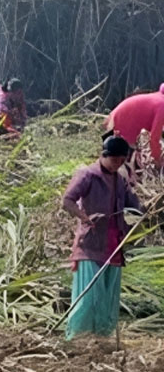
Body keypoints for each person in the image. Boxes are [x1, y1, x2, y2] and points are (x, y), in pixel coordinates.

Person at [60, 135, 141, 341]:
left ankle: (102, 339)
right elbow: (67, 200)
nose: (118, 165)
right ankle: (78, 338)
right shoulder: (87, 175)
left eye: (122, 161)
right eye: (115, 160)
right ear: (104, 156)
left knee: (107, 297)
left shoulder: (120, 179)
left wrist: (149, 208)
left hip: (114, 244)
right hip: (91, 243)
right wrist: (85, 218)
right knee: (88, 297)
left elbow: (134, 203)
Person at [105, 84, 164, 171]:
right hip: (118, 131)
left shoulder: (158, 98)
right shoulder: (162, 105)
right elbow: (154, 139)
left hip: (112, 122)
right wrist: (158, 164)